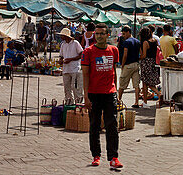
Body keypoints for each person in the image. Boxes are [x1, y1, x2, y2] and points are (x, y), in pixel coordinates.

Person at [81, 23, 121, 169]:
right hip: (94, 94)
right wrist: (86, 97)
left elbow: (114, 72)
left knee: (112, 126)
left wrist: (116, 90)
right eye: (97, 34)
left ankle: (114, 157)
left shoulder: (114, 50)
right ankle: (96, 156)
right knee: (94, 126)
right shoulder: (88, 52)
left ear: (107, 35)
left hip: (110, 93)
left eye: (102, 33)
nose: (99, 36)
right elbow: (85, 75)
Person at [117, 26, 143, 107]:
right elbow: (141, 54)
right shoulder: (137, 41)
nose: (123, 36)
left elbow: (125, 54)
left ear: (128, 32)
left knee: (122, 84)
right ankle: (136, 102)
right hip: (136, 64)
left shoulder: (126, 42)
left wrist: (122, 64)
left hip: (128, 65)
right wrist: (137, 59)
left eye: (124, 34)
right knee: (136, 85)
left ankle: (118, 100)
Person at [59, 28, 84, 104]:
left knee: (75, 88)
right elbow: (61, 56)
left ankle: (78, 103)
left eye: (62, 35)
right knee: (67, 88)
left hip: (75, 69)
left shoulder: (75, 43)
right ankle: (69, 102)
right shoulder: (63, 44)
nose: (61, 37)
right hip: (66, 69)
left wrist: (71, 59)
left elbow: (81, 54)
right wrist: (61, 60)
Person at [138, 27, 161, 104]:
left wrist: (138, 58)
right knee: (150, 82)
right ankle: (157, 94)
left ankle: (146, 101)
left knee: (145, 83)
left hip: (146, 63)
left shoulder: (145, 42)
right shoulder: (154, 41)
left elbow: (144, 55)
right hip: (153, 62)